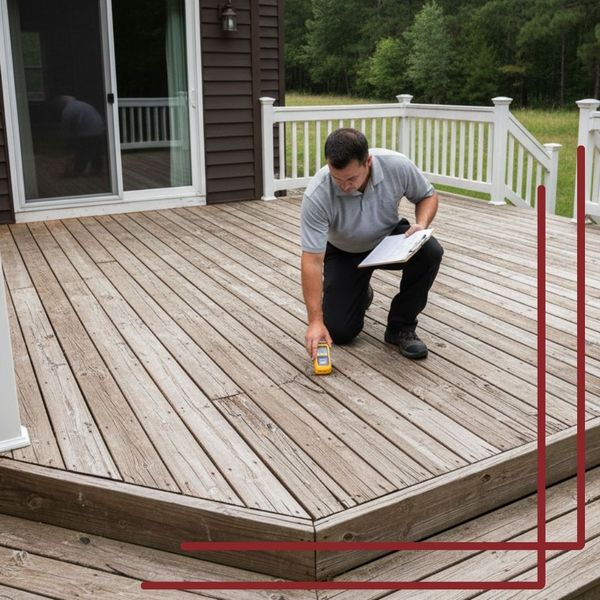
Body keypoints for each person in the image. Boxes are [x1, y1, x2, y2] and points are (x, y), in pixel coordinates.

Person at [300, 128, 443, 361]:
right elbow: (312, 261)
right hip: (344, 251)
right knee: (340, 332)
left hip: (387, 240)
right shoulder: (317, 193)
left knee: (430, 251)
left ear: (368, 161)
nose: (344, 186)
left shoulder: (396, 165)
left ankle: (401, 327)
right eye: (338, 179)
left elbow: (427, 195)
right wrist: (315, 321)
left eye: (351, 179)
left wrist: (422, 223)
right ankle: (361, 293)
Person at [58, 96, 105, 176]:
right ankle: (97, 169)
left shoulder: (68, 109)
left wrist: (67, 138)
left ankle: (78, 171)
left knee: (82, 151)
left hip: (87, 130)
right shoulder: (83, 104)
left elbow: (66, 126)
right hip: (99, 127)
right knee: (96, 150)